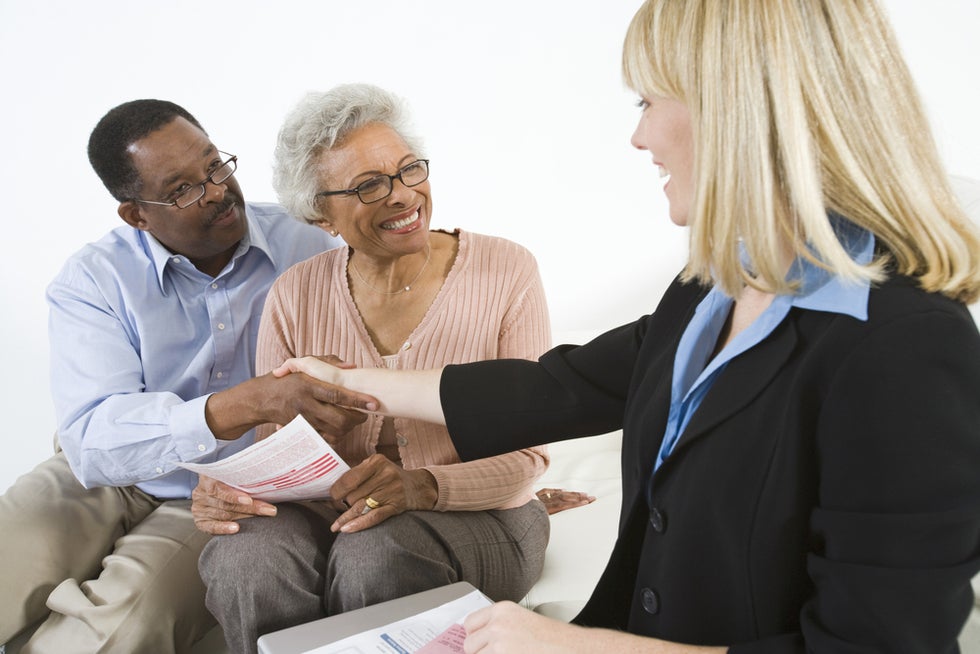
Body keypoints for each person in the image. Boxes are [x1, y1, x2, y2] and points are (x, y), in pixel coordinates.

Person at [272, 0, 980, 651]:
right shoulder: (714, 285)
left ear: (737, 109)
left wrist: (571, 647)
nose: (639, 135)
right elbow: (561, 387)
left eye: (647, 101)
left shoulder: (907, 347)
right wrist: (346, 380)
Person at [191, 83, 555, 654]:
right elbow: (276, 446)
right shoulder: (294, 294)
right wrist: (233, 488)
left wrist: (422, 486)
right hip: (329, 512)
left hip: (485, 516)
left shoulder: (506, 270)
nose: (402, 195)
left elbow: (529, 455)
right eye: (368, 186)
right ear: (321, 214)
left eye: (409, 170)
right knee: (246, 558)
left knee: (377, 553)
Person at [0, 99, 354, 653]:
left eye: (216, 166)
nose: (216, 191)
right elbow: (92, 443)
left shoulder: (310, 245)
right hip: (103, 474)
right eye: (183, 189)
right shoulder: (94, 277)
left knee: (115, 629)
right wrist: (240, 405)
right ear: (136, 214)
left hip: (219, 493)